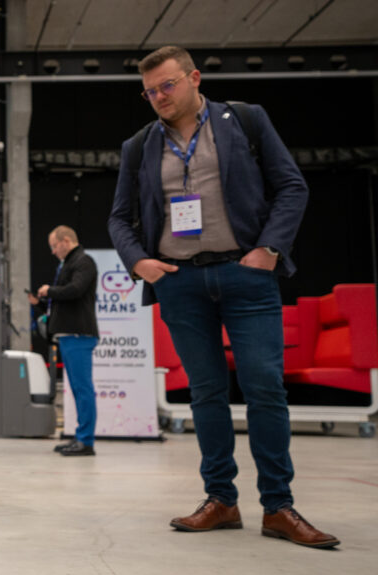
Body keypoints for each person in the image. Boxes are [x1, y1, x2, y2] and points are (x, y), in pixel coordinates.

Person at [107, 45, 339, 549]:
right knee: (206, 393)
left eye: (167, 85)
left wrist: (269, 249)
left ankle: (278, 506)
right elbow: (120, 217)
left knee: (264, 388)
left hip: (246, 276)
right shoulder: (140, 145)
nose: (159, 96)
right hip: (180, 282)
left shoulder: (246, 121)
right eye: (149, 91)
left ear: (194, 78)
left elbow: (291, 187)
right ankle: (221, 500)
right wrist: (140, 263)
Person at [36, 226, 99, 456]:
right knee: (78, 390)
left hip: (78, 335)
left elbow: (76, 289)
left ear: (65, 241)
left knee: (83, 389)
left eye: (54, 246)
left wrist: (50, 290)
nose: (53, 251)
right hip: (69, 335)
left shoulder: (83, 262)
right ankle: (81, 437)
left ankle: (86, 441)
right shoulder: (70, 263)